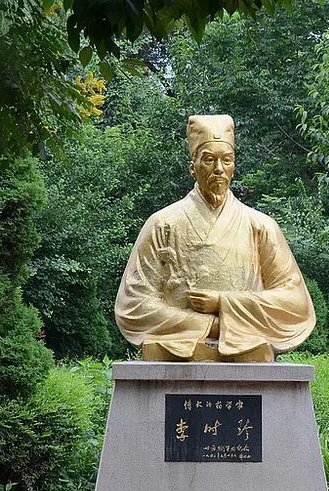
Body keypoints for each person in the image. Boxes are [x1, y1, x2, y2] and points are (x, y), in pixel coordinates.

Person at [115, 114, 315, 361]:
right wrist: (209, 326)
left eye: (226, 160)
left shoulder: (260, 225)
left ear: (234, 166)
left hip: (246, 348)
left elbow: (295, 302)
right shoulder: (162, 224)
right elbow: (133, 305)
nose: (218, 169)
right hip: (176, 347)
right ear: (193, 167)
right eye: (209, 160)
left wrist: (225, 303)